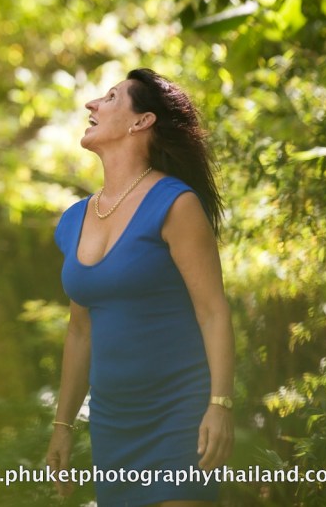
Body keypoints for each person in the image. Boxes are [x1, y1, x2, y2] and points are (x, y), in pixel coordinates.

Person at [45, 69, 235, 506]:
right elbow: (80, 331)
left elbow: (213, 311)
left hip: (177, 415)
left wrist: (220, 404)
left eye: (110, 98)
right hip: (112, 424)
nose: (92, 105)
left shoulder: (176, 203)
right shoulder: (74, 218)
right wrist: (63, 425)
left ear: (141, 121)